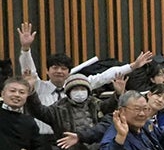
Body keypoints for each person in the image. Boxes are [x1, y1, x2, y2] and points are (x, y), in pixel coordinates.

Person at [16, 21, 154, 106]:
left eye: (63, 68)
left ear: (69, 72)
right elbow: (29, 72)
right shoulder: (39, 87)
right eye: (55, 68)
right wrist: (25, 49)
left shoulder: (78, 86)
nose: (59, 71)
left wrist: (133, 66)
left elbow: (104, 76)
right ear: (47, 71)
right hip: (43, 138)